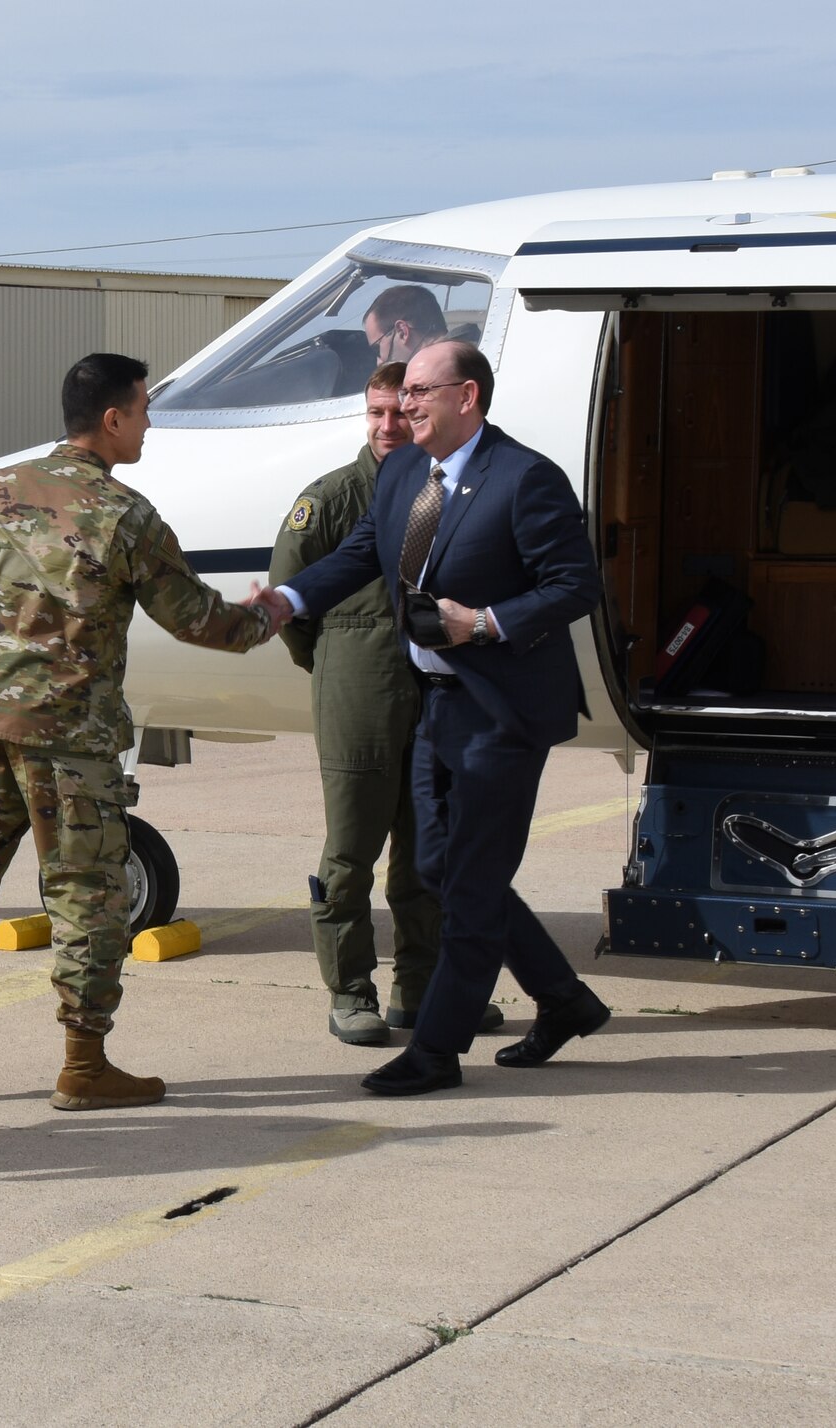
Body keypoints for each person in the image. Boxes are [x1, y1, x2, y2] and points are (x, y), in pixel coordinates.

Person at [0, 353, 284, 1111]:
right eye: (144, 410)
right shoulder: (124, 515)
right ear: (112, 419)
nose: (149, 424)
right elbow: (197, 620)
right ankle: (85, 1065)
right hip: (69, 737)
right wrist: (269, 614)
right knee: (89, 893)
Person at [261, 341, 609, 1095]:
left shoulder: (525, 479)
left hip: (502, 709)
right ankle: (564, 999)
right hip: (435, 705)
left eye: (421, 391)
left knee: (474, 885)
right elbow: (361, 554)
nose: (405, 405)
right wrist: (289, 600)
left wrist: (482, 623)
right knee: (438, 867)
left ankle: (436, 1050)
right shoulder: (402, 474)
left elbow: (574, 585)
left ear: (468, 396)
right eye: (403, 392)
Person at [268, 362, 502, 1046]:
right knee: (350, 852)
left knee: (430, 852)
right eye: (376, 413)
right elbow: (290, 597)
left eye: (401, 412)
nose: (387, 425)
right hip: (359, 698)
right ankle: (351, 991)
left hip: (441, 699)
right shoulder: (334, 498)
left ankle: (421, 990)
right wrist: (339, 665)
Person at [363, 284, 448, 366]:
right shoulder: (458, 356)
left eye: (377, 349)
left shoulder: (427, 377)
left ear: (402, 332)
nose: (379, 362)